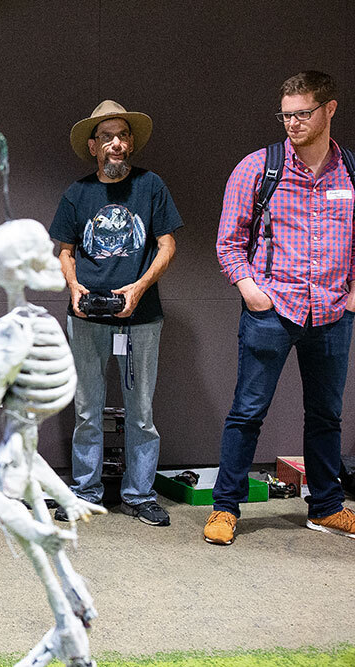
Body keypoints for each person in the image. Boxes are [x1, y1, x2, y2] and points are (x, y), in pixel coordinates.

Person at [207, 71, 355, 545]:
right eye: (286, 114)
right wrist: (250, 288)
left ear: (329, 110)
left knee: (326, 416)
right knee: (247, 412)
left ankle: (326, 507)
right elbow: (229, 242)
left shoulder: (350, 171)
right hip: (273, 309)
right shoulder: (257, 167)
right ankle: (225, 508)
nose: (292, 123)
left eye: (302, 113)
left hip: (333, 313)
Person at [49, 100, 183, 526]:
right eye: (106, 136)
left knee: (140, 411)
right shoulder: (78, 193)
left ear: (131, 143)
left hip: (141, 318)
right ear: (93, 146)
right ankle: (85, 491)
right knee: (87, 410)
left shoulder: (151, 186)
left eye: (122, 135)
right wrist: (74, 288)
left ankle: (140, 494)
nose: (116, 143)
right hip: (86, 316)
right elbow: (65, 252)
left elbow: (167, 245)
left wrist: (139, 288)